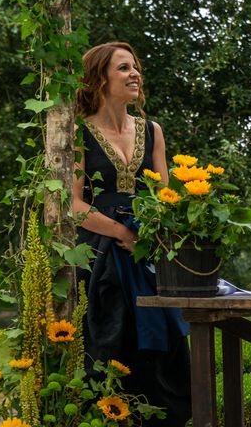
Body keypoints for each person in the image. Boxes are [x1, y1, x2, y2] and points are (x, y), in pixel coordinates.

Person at [73, 41, 191, 425]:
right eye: (124, 68)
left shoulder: (152, 131)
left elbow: (165, 197)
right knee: (111, 339)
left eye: (136, 67)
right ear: (100, 79)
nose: (135, 73)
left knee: (163, 344)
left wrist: (153, 233)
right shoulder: (77, 134)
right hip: (99, 252)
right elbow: (72, 205)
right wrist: (121, 232)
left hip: (147, 252)